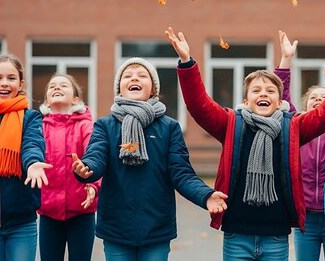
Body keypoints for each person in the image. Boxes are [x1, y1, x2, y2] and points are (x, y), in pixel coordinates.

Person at [165, 27, 325, 260]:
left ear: (280, 100)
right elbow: (199, 105)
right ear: (246, 100)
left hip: (276, 236)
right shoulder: (231, 123)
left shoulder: (292, 126)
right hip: (236, 233)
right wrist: (186, 62)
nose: (264, 94)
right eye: (257, 90)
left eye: (270, 90)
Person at [72, 57, 227, 261]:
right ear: (119, 89)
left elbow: (181, 173)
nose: (134, 78)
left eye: (142, 75)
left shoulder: (169, 127)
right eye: (127, 76)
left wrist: (205, 195)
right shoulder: (105, 125)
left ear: (153, 89)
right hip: (116, 227)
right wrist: (87, 168)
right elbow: (96, 156)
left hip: (156, 228)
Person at [275, 24, 325, 261]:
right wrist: (285, 60)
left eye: (324, 97)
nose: (319, 100)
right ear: (305, 104)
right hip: (306, 217)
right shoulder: (296, 126)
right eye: (314, 98)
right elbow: (281, 98)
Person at [0, 53, 52, 261]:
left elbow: (32, 144)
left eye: (11, 78)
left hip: (22, 224)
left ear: (21, 83)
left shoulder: (31, 117)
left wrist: (33, 162)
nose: (4, 83)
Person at [38, 73, 99, 261]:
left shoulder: (86, 126)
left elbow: (95, 156)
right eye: (52, 86)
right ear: (47, 102)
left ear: (75, 99)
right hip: (48, 213)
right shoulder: (39, 127)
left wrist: (93, 186)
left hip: (82, 212)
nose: (57, 88)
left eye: (64, 85)